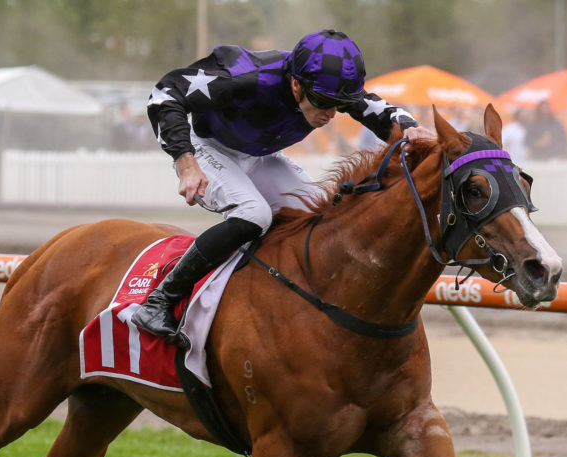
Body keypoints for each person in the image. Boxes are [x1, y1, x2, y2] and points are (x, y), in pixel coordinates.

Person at [133, 29, 430, 341]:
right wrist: (185, 160)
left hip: (258, 154)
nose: (330, 114)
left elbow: (376, 109)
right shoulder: (245, 75)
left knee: (322, 215)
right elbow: (165, 93)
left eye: (340, 104)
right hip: (207, 147)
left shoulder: (324, 87)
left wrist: (412, 128)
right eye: (323, 103)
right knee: (254, 214)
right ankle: (160, 300)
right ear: (295, 84)